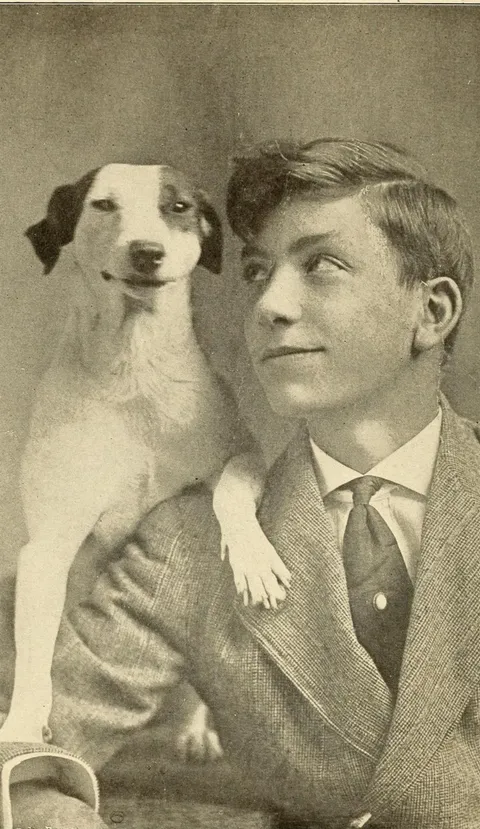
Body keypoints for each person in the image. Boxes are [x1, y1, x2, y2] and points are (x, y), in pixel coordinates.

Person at [3, 138, 479, 829]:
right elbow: (26, 754)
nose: (268, 305)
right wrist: (48, 812)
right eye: (257, 271)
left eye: (321, 265)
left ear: (432, 313)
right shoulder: (185, 547)